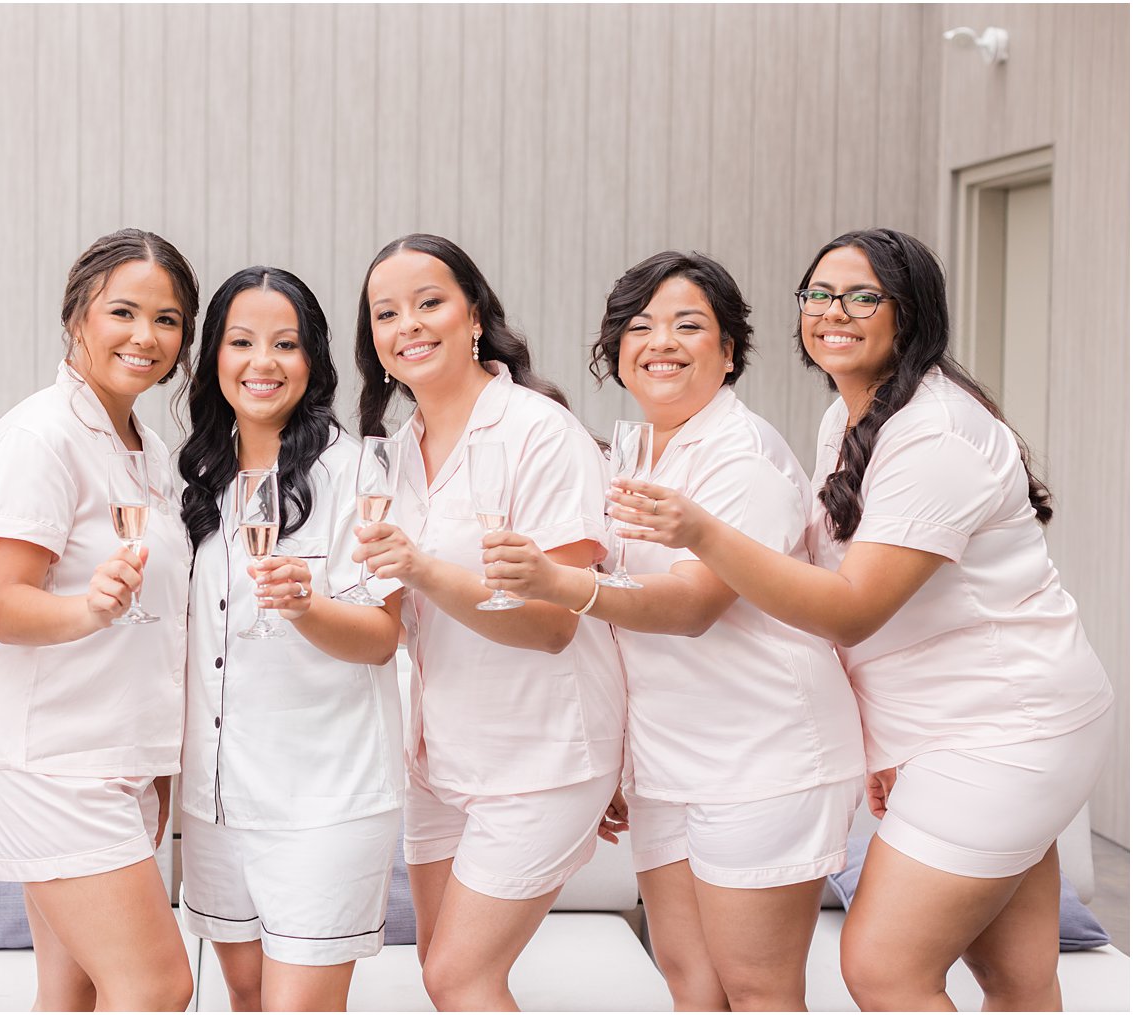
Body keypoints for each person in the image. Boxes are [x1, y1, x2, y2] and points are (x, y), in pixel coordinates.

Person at [619, 228, 1114, 1011]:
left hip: (1006, 729)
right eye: (817, 294)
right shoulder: (848, 419)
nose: (832, 312)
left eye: (861, 295)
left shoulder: (935, 434)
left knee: (883, 969)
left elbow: (852, 610)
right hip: (948, 724)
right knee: (1018, 977)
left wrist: (702, 532)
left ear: (909, 312)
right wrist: (885, 739)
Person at [478, 250, 865, 1010]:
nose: (662, 341)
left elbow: (690, 606)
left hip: (764, 756)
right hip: (670, 761)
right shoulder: (630, 449)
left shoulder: (742, 456)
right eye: (641, 325)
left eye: (690, 325)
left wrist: (558, 583)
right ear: (616, 348)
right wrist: (626, 756)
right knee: (691, 981)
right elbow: (630, 623)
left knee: (757, 988)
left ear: (728, 352)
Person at [350, 234, 627, 1011]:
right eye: (387, 312)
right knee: (444, 972)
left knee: (459, 976)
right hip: (440, 756)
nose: (409, 324)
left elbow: (551, 623)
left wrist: (422, 569)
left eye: (430, 302)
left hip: (543, 755)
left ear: (474, 314)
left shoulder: (541, 432)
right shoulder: (394, 455)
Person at [0, 228, 198, 1011]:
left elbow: (158, 626)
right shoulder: (41, 437)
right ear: (75, 318)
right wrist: (88, 607)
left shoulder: (149, 448)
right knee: (157, 987)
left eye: (167, 320)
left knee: (72, 991)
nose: (145, 336)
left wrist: (157, 763)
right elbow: (5, 605)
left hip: (112, 753)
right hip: (50, 760)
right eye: (122, 312)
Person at [176, 266, 404, 1012]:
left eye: (285, 343)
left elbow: (379, 636)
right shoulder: (196, 474)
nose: (262, 362)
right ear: (214, 357)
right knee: (244, 993)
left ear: (314, 360)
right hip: (217, 796)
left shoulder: (357, 469)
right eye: (241, 341)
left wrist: (306, 606)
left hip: (323, 797)